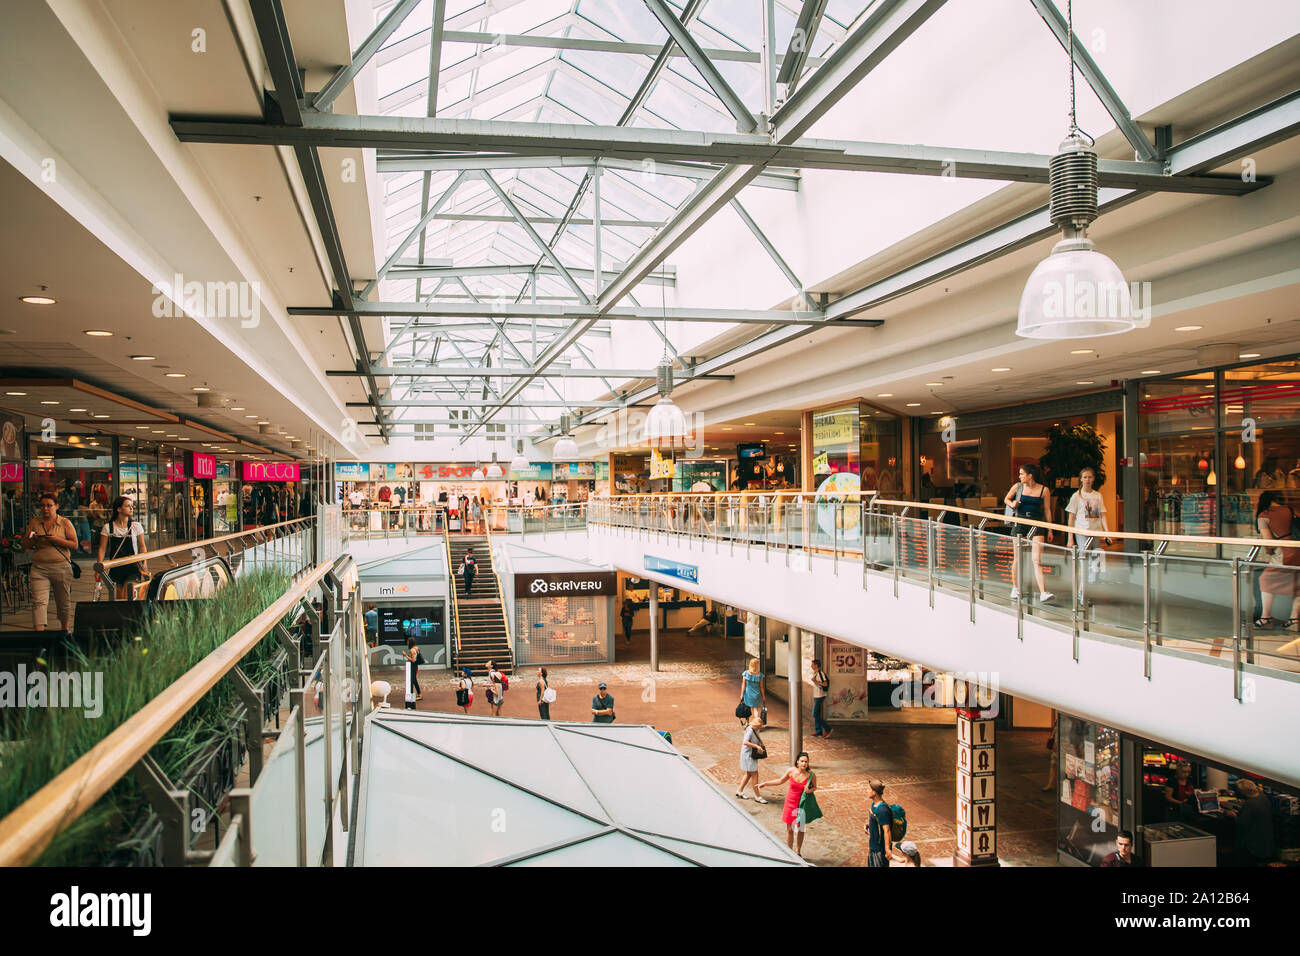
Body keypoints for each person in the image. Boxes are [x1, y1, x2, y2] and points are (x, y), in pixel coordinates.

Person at [25, 492, 77, 633]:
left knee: (63, 602)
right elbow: (25, 544)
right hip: (39, 568)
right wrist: (34, 539)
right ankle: (39, 635)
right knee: (39, 602)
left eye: (49, 505)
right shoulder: (35, 522)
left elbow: (74, 545)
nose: (45, 509)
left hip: (61, 567)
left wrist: (56, 540)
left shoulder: (65, 522)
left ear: (56, 506)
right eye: (42, 506)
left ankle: (64, 630)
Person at [1004, 463, 1054, 603]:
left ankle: (1043, 592)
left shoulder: (1044, 490)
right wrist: (1012, 504)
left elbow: (1047, 510)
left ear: (1030, 475)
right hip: (1020, 522)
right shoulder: (1017, 487)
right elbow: (1006, 498)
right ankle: (1015, 588)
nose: (1019, 476)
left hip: (1037, 524)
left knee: (1037, 560)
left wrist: (1050, 529)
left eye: (1022, 474)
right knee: (1017, 558)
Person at [1254, 491, 1300, 628]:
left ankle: (1266, 617)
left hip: (1284, 554)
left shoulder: (1264, 516)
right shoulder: (1290, 510)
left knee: (1266, 581)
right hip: (1298, 549)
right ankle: (1294, 619)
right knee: (1299, 585)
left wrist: (1268, 550)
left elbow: (1270, 543)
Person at [759, 752, 816, 857]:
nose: (804, 763)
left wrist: (809, 791)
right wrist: (766, 783)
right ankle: (789, 852)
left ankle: (798, 851)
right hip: (790, 802)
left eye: (806, 762)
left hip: (802, 804)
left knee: (801, 828)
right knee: (790, 829)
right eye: (802, 761)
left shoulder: (811, 775)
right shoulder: (791, 771)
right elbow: (780, 780)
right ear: (797, 762)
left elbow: (814, 787)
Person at [1065, 467, 1111, 582]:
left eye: (1089, 477)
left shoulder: (1098, 495)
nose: (1087, 480)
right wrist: (1070, 538)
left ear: (1093, 479)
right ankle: (1083, 585)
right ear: (1081, 479)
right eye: (1085, 477)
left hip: (1095, 531)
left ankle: (1093, 581)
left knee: (1096, 557)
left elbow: (1102, 514)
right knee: (1084, 557)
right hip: (1082, 531)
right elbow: (1071, 517)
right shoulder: (1076, 496)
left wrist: (1107, 532)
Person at [96, 495, 148, 600]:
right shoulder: (108, 528)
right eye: (127, 506)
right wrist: (99, 568)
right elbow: (102, 549)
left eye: (132, 506)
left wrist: (144, 563)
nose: (131, 508)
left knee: (129, 593)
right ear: (119, 509)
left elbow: (142, 546)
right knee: (119, 598)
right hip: (116, 567)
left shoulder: (135, 526)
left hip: (133, 566)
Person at [1227, 779, 1275, 866]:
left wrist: (1233, 815)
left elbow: (1242, 824)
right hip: (1265, 843)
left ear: (1244, 792)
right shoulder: (1263, 797)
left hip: (1252, 846)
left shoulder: (1250, 804)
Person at [735, 711, 770, 803]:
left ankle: (739, 791)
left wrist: (760, 743)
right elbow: (745, 742)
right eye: (759, 727)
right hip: (748, 755)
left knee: (749, 774)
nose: (759, 728)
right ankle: (757, 796)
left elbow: (757, 737)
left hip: (749, 754)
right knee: (754, 774)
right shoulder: (750, 730)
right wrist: (757, 746)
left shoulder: (755, 729)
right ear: (756, 725)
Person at [865, 780, 894, 867]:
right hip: (873, 847)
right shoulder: (874, 804)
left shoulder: (882, 810)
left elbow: (887, 830)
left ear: (874, 792)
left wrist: (887, 849)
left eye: (869, 789)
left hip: (879, 850)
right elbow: (875, 820)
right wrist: (868, 825)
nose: (867, 791)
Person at [809, 658, 831, 738]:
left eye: (812, 664)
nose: (811, 665)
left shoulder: (820, 674)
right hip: (817, 696)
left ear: (816, 665)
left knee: (814, 714)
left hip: (820, 696)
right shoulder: (815, 673)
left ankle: (827, 728)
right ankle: (818, 731)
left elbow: (825, 684)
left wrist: (815, 681)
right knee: (817, 714)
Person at [740, 657, 765, 726]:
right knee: (756, 710)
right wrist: (763, 696)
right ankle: (756, 724)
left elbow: (743, 685)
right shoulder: (760, 675)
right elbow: (761, 687)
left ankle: (747, 723)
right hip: (756, 694)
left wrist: (741, 694)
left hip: (748, 694)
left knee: (748, 709)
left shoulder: (746, 674)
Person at [404, 637, 422, 701]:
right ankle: (419, 694)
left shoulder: (412, 650)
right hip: (415, 666)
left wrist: (406, 656)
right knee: (414, 680)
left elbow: (413, 660)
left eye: (408, 642)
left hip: (413, 666)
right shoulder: (416, 648)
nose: (407, 643)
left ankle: (412, 696)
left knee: (411, 680)